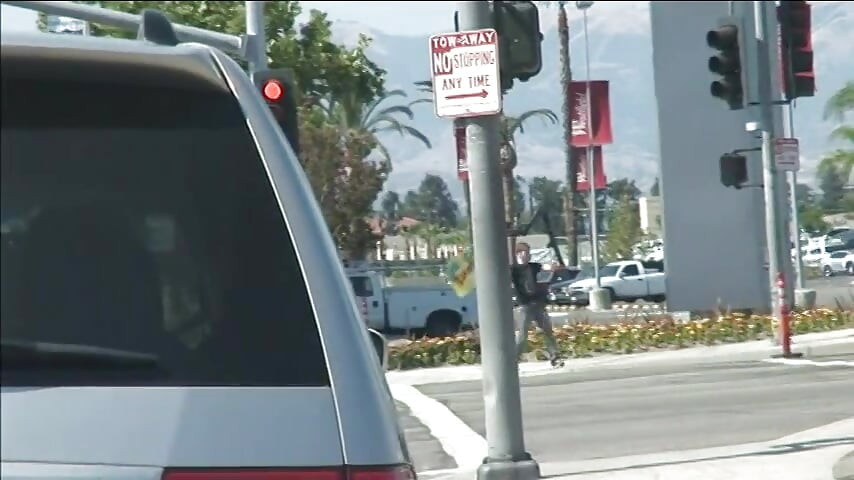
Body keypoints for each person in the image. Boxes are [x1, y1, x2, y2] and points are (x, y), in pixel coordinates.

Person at [510, 242, 564, 367]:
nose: (528, 255)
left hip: (538, 304)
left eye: (528, 252)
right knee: (523, 334)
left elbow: (545, 267)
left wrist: (553, 267)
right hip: (524, 305)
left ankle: (555, 357)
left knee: (547, 331)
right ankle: (514, 360)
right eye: (525, 252)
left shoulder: (533, 266)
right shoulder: (514, 269)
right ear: (519, 254)